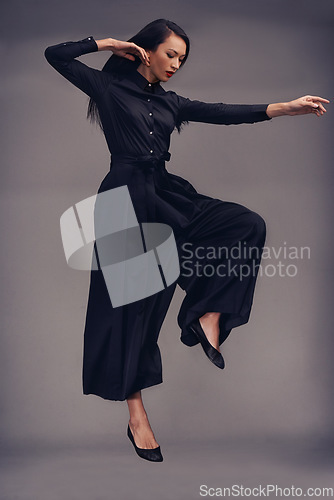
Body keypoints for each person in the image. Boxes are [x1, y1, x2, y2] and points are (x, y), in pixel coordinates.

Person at [44, 18, 329, 463]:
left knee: (245, 225)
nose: (177, 64)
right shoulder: (106, 88)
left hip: (165, 193)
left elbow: (222, 112)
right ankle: (137, 415)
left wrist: (285, 108)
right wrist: (108, 43)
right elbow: (55, 55)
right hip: (124, 201)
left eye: (182, 58)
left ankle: (206, 315)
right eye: (171, 54)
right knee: (134, 309)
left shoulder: (172, 103)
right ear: (146, 51)